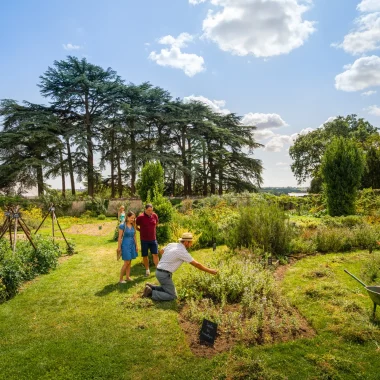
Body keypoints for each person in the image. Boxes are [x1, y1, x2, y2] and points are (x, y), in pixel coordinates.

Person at [142, 232, 218, 300]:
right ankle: (151, 293)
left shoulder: (172, 244)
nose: (191, 244)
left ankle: (151, 287)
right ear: (185, 242)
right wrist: (210, 271)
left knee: (167, 288)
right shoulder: (182, 252)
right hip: (164, 274)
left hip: (159, 271)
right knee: (172, 295)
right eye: (190, 242)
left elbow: (161, 251)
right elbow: (197, 264)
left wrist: (169, 259)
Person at [136, 203, 159, 277]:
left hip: (153, 239)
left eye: (151, 210)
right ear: (145, 210)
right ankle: (147, 270)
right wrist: (141, 230)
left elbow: (156, 224)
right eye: (148, 210)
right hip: (144, 240)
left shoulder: (154, 215)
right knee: (145, 255)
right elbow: (135, 226)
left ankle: (157, 270)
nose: (150, 212)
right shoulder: (140, 217)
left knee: (155, 254)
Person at [117, 211, 138, 283]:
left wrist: (136, 245)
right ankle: (120, 279)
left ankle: (128, 277)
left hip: (132, 245)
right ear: (127, 217)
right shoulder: (122, 225)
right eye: (131, 218)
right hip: (125, 245)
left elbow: (135, 236)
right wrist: (119, 247)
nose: (133, 219)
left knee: (130, 261)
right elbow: (119, 237)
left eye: (134, 218)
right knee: (126, 262)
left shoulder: (133, 225)